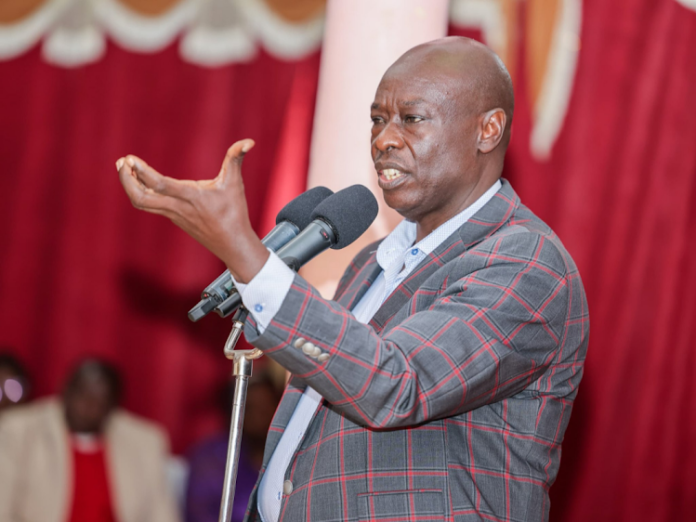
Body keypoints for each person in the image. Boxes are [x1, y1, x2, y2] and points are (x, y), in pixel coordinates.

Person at [116, 37, 589, 522]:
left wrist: (246, 254)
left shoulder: (526, 261)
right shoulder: (370, 263)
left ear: (487, 130)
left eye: (412, 118)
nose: (383, 139)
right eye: (377, 119)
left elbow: (397, 385)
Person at [0, 358, 181, 522]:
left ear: (113, 406)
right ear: (65, 390)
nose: (87, 407)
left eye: (98, 401)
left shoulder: (144, 443)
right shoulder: (21, 432)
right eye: (82, 395)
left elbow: (161, 514)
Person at [185, 372, 282, 522]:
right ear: (233, 413)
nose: (260, 417)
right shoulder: (212, 459)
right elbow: (200, 514)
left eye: (266, 407)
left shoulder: (287, 454)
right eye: (250, 409)